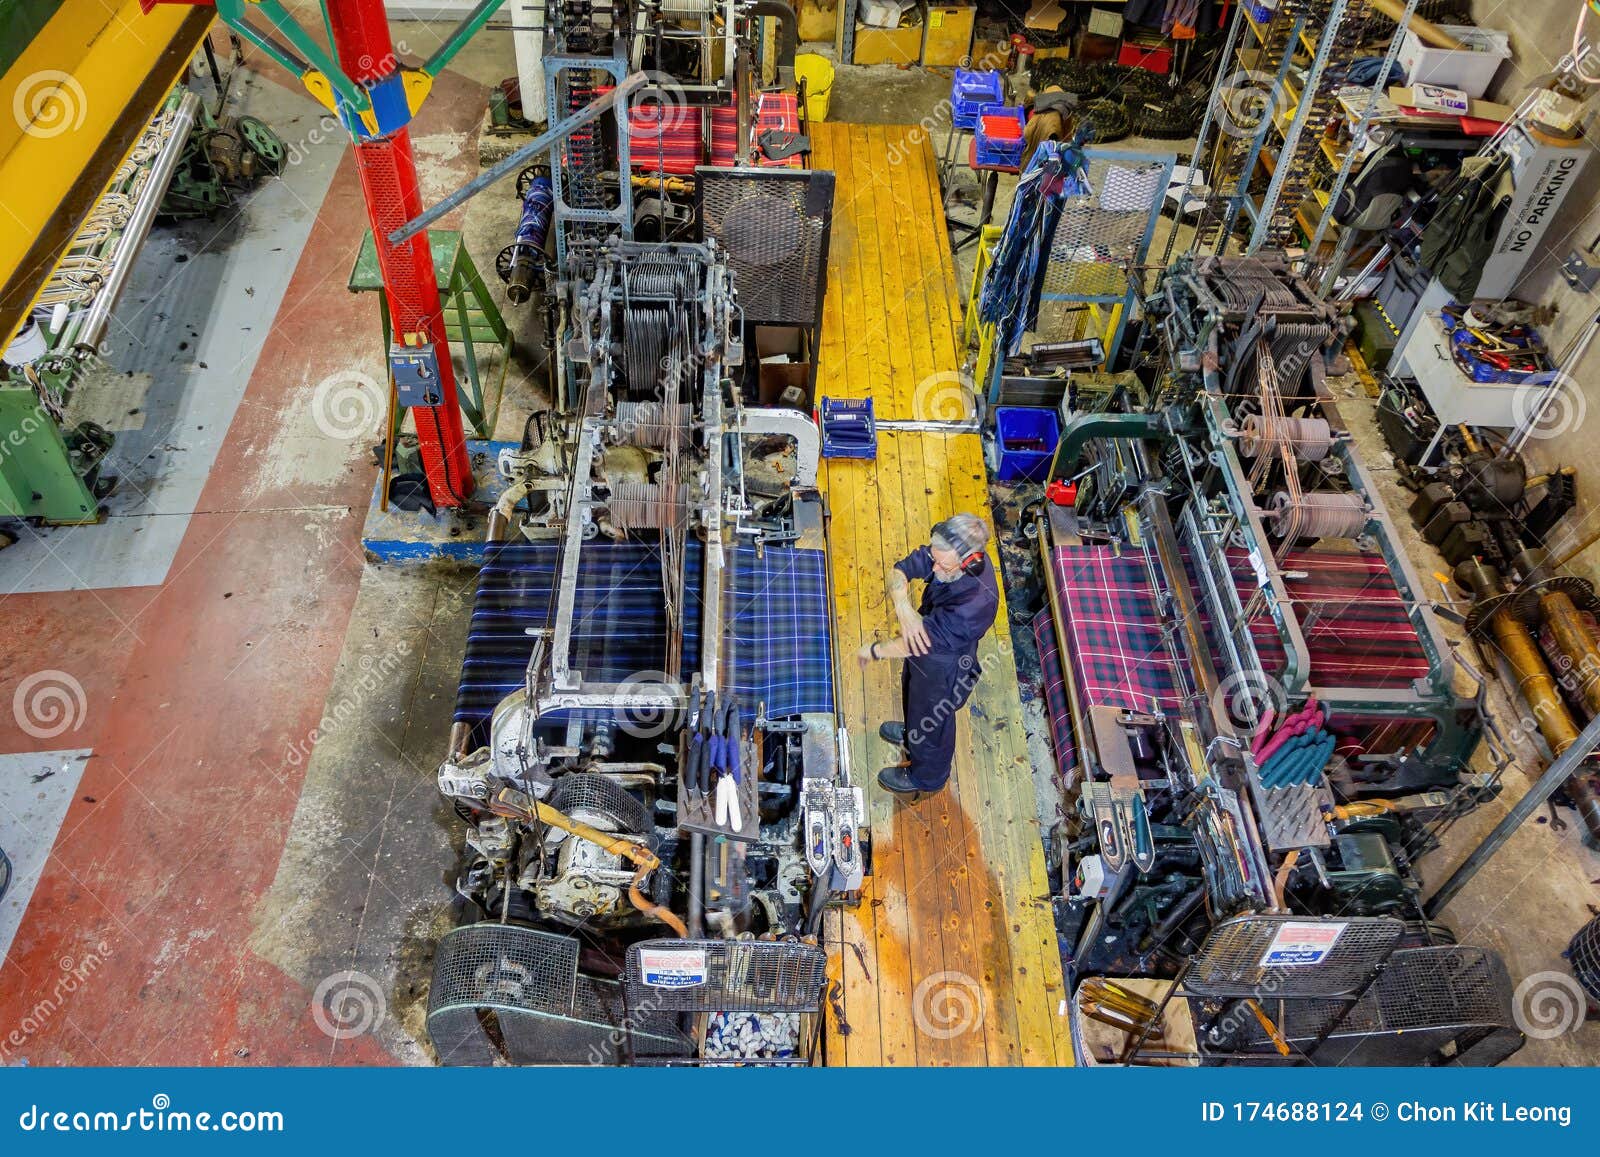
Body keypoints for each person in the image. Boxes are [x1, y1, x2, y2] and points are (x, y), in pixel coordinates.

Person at [855, 513, 1000, 798]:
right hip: (930, 645)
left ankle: (927, 777)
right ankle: (912, 734)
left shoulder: (973, 605)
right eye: (934, 558)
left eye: (940, 564)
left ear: (969, 561)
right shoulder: (948, 555)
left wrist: (874, 651)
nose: (933, 567)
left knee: (931, 720)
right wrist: (903, 607)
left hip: (946, 664)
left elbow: (915, 644)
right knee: (912, 694)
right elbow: (903, 568)